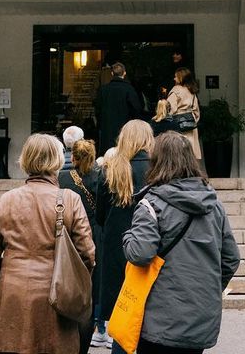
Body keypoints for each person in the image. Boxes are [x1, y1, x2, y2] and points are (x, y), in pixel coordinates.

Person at [123, 131, 241, 354]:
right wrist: (210, 289)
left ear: (156, 161)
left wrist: (127, 236)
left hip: (160, 315)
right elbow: (231, 258)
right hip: (201, 316)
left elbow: (140, 253)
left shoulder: (151, 204)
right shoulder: (214, 204)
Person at [0, 133, 95, 354]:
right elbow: (87, 254)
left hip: (13, 298)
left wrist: (6, 277)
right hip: (57, 299)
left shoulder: (7, 199)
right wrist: (75, 283)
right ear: (57, 160)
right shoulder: (69, 199)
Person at [96, 119, 154, 354]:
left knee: (123, 309)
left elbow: (100, 215)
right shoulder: (156, 168)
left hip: (116, 244)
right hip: (149, 243)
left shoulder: (111, 169)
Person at [58, 139, 106, 351]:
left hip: (69, 235)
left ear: (73, 157)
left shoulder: (62, 178)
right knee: (90, 293)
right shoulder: (101, 178)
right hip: (95, 234)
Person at [96, 63, 143, 154]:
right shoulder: (129, 89)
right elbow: (136, 110)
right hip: (125, 130)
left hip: (107, 129)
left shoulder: (104, 90)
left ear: (112, 74)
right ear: (124, 73)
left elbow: (97, 110)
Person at [164, 68, 202, 162]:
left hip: (177, 125)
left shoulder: (175, 90)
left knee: (178, 153)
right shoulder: (192, 91)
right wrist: (192, 119)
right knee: (190, 152)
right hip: (190, 124)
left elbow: (170, 110)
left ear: (181, 78)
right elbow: (196, 111)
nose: (174, 78)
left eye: (176, 76)